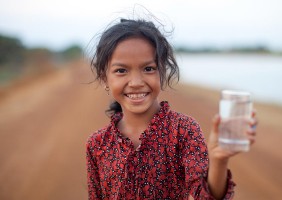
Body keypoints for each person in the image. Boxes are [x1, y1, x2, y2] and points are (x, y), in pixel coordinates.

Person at [86, 18, 257, 199]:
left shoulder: (183, 130)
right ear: (105, 78)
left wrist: (219, 160)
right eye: (121, 71)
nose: (136, 82)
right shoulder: (97, 144)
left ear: (163, 71)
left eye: (149, 68)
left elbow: (203, 196)